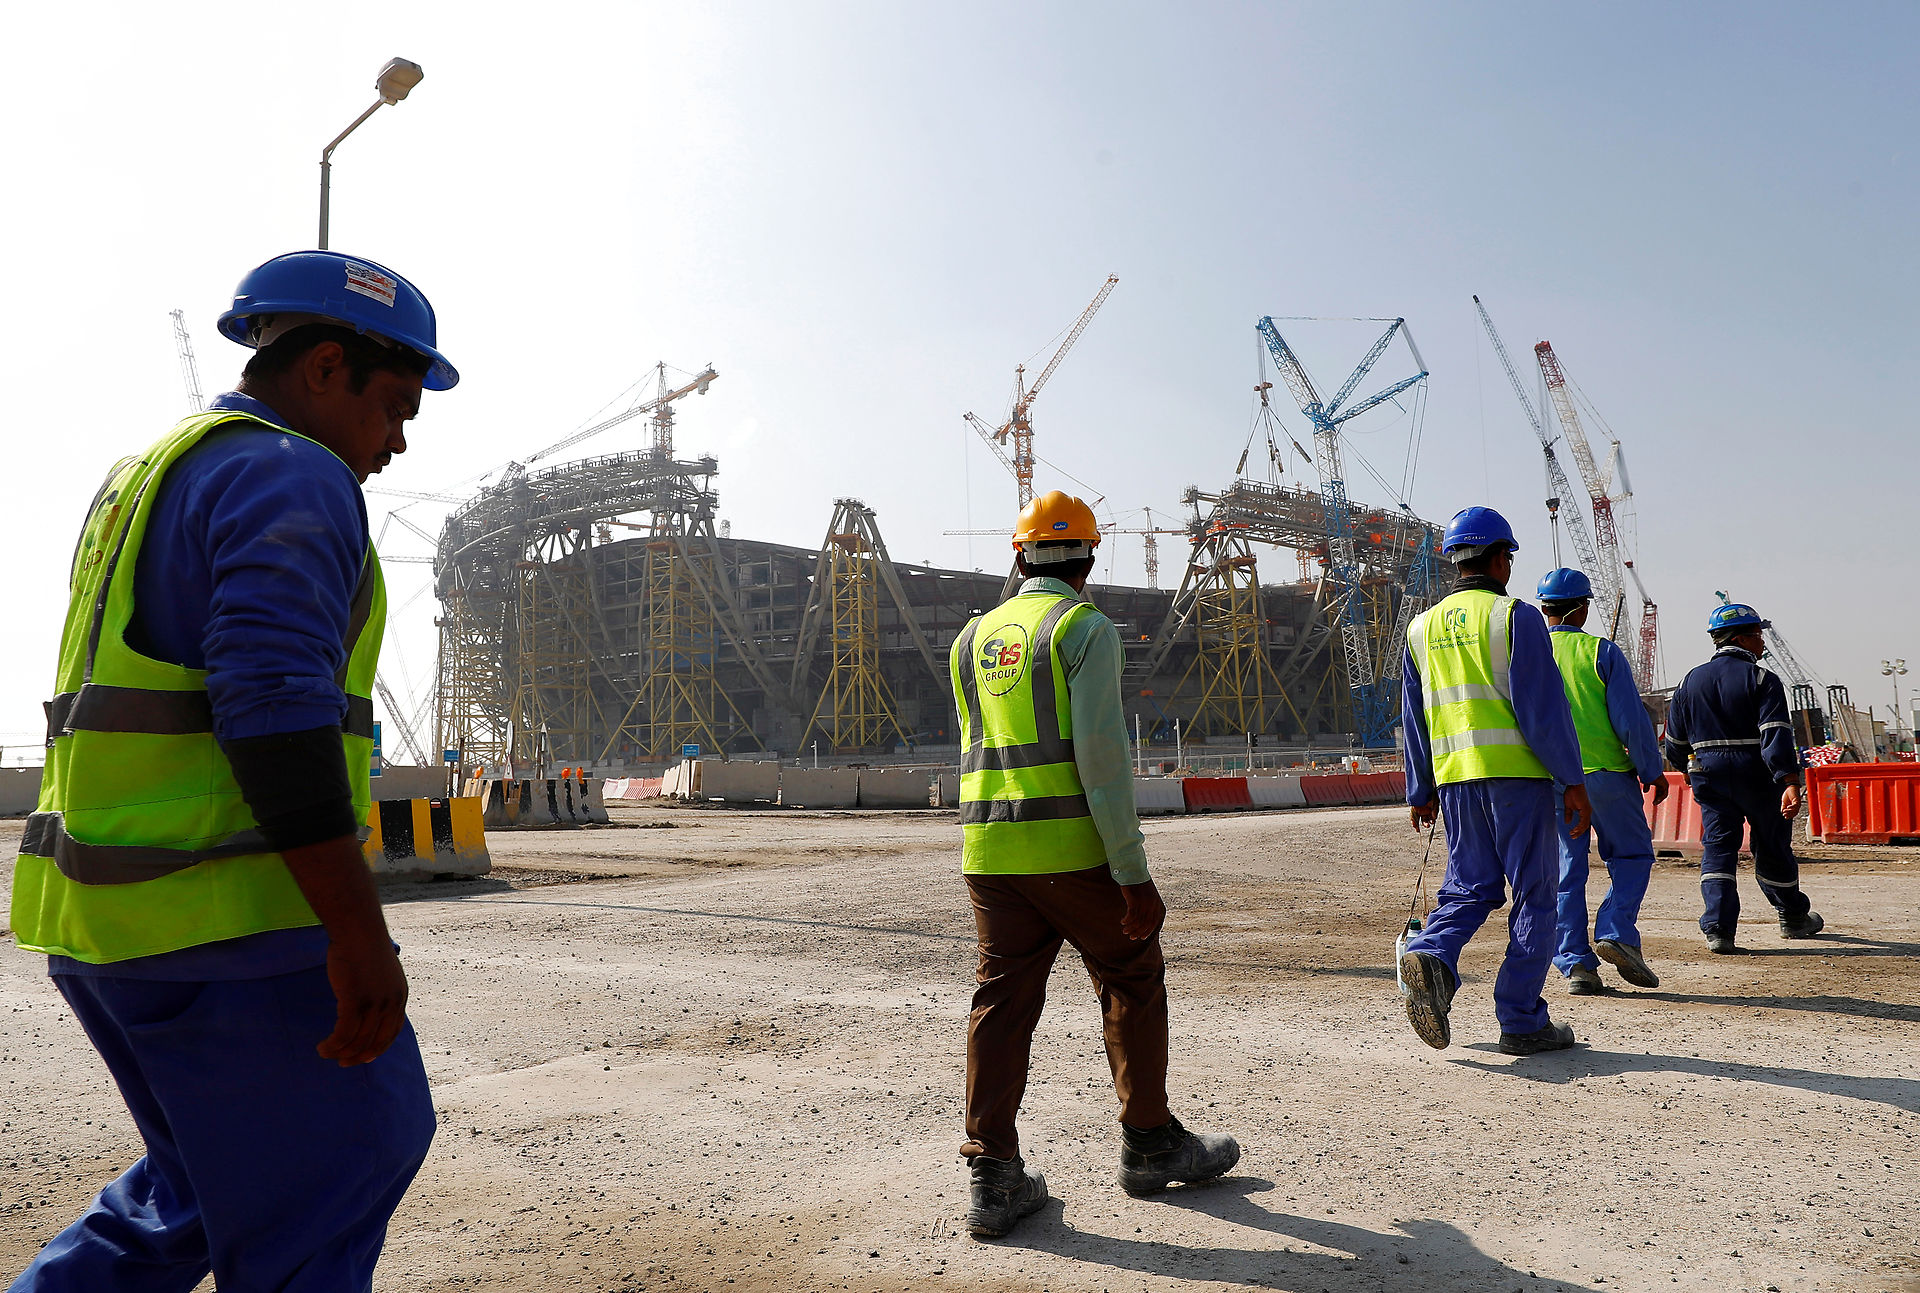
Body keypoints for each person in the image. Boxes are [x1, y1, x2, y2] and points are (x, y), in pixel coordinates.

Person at [8, 250, 457, 1292]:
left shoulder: (144, 477)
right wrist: (357, 935)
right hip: (229, 926)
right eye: (395, 406)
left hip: (104, 924)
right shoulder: (290, 473)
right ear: (327, 367)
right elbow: (274, 711)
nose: (396, 441)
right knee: (342, 1169)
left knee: (195, 1194)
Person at [949, 490, 1238, 1239]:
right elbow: (1103, 760)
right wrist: (1132, 873)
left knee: (1001, 999)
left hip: (989, 849)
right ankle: (1149, 1142)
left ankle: (992, 1174)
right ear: (1088, 561)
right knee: (1130, 972)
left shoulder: (971, 638)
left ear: (1018, 557)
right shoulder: (1084, 629)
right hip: (1071, 851)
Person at [1398, 507, 1592, 1056]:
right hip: (1518, 779)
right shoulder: (1515, 617)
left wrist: (1421, 789)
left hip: (1455, 781)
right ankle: (1521, 1018)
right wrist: (1572, 779)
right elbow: (1543, 710)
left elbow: (1414, 718)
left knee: (1470, 887)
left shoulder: (1419, 628)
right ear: (1501, 559)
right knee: (1535, 896)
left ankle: (1432, 954)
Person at [1535, 568, 1669, 994]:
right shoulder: (1600, 652)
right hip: (1606, 777)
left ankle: (1575, 964)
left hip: (1550, 781)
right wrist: (1651, 770)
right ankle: (1616, 930)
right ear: (1583, 609)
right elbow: (1631, 721)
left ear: (1544, 609)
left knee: (1566, 869)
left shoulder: (1526, 654)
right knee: (1631, 855)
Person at [1663, 603, 1824, 953]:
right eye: (1757, 634)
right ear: (1740, 638)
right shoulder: (1763, 679)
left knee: (1718, 849)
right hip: (1758, 775)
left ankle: (1719, 930)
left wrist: (1688, 769)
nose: (1762, 641)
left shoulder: (1689, 681)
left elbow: (1674, 741)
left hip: (1709, 776)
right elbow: (1775, 732)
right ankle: (1792, 916)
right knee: (1772, 845)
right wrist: (1789, 780)